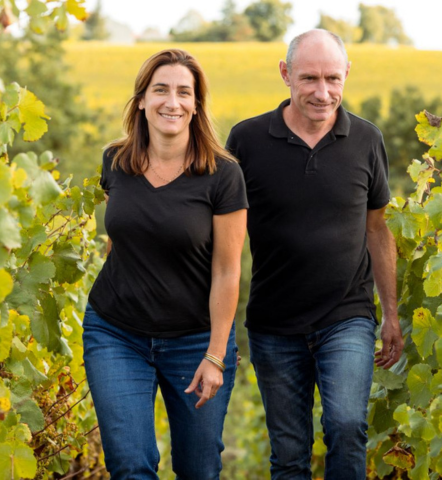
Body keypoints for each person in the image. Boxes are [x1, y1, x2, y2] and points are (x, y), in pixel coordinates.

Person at [226, 29, 403, 480]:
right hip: (273, 324)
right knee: (289, 453)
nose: (322, 93)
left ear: (346, 75)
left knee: (347, 426)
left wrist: (392, 315)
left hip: (347, 316)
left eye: (332, 78)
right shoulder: (246, 141)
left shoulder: (366, 139)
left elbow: (378, 229)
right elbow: (221, 234)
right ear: (285, 74)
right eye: (309, 79)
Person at [82, 49, 248, 480]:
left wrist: (215, 354)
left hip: (195, 342)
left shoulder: (223, 175)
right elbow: (121, 241)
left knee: (198, 470)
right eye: (160, 90)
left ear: (196, 104)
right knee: (131, 465)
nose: (171, 102)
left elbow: (228, 271)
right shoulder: (115, 161)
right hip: (115, 332)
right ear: (141, 100)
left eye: (183, 92)